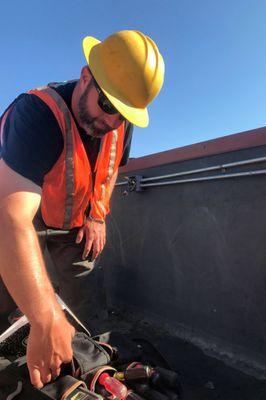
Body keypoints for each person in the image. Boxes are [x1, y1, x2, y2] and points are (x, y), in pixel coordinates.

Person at [0, 30, 164, 389]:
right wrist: (45, 318)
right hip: (16, 209)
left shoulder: (120, 121)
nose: (112, 122)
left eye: (123, 114)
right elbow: (11, 219)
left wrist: (96, 216)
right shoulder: (37, 113)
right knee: (8, 297)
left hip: (72, 221)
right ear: (86, 76)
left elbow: (108, 173)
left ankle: (96, 373)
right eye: (107, 106)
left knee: (90, 310)